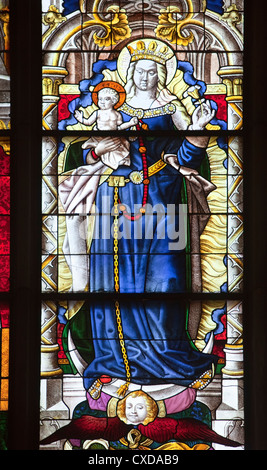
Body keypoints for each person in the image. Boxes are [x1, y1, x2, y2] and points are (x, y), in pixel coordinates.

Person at [61, 39, 218, 403]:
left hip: (164, 202)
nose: (146, 75)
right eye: (139, 70)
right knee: (114, 281)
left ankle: (166, 357)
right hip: (115, 202)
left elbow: (187, 154)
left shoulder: (172, 108)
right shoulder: (112, 108)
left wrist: (198, 129)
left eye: (152, 71)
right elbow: (84, 149)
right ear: (129, 74)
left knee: (168, 280)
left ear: (161, 75)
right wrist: (100, 147)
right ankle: (117, 359)